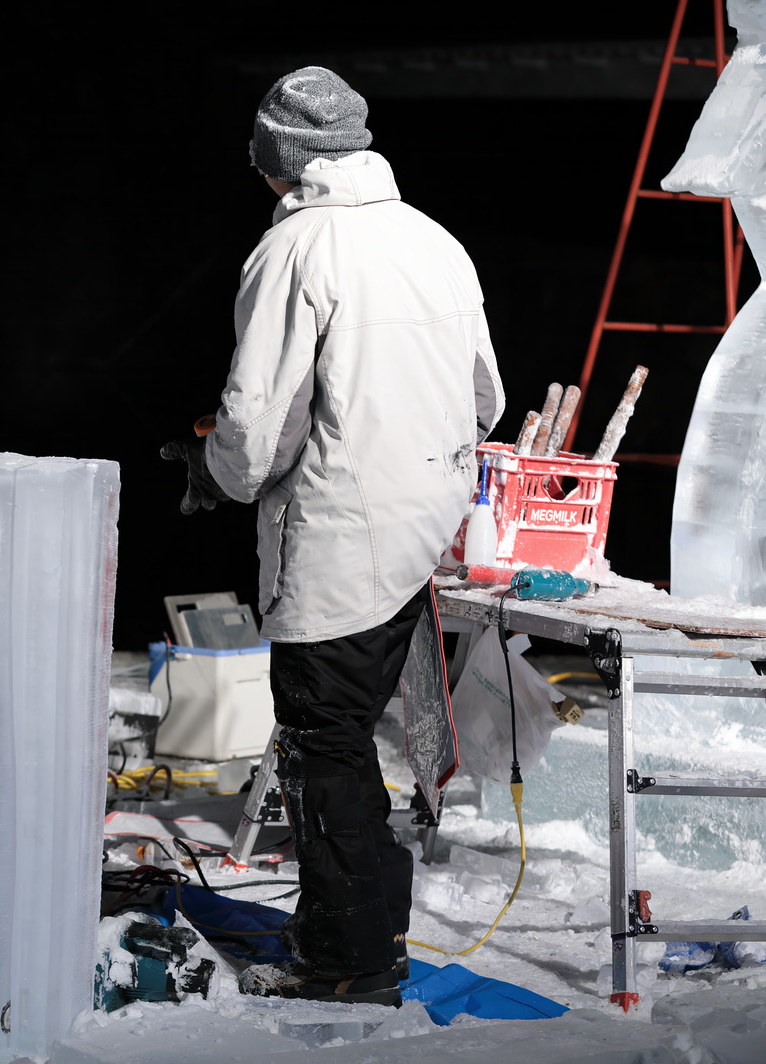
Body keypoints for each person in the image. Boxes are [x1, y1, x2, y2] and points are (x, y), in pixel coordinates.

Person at [161, 67, 504, 1005]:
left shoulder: (295, 249)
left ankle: (346, 963)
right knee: (350, 743)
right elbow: (485, 397)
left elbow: (256, 427)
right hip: (422, 533)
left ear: (277, 160)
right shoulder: (433, 238)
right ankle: (365, 934)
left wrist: (215, 471)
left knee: (326, 747)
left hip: (342, 541)